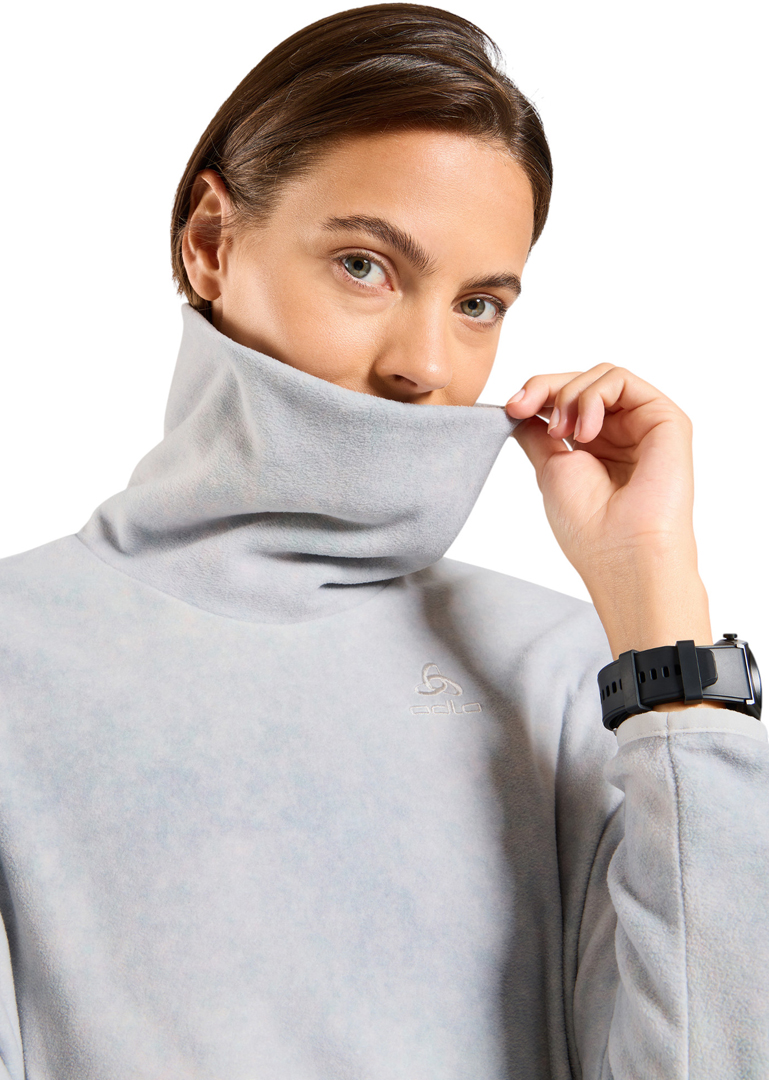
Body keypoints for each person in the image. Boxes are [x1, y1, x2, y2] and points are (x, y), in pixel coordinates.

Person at [0, 4, 766, 1077]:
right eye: (365, 265)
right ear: (211, 243)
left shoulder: (569, 674)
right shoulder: (17, 651)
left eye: (478, 303)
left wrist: (658, 610)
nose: (426, 363)